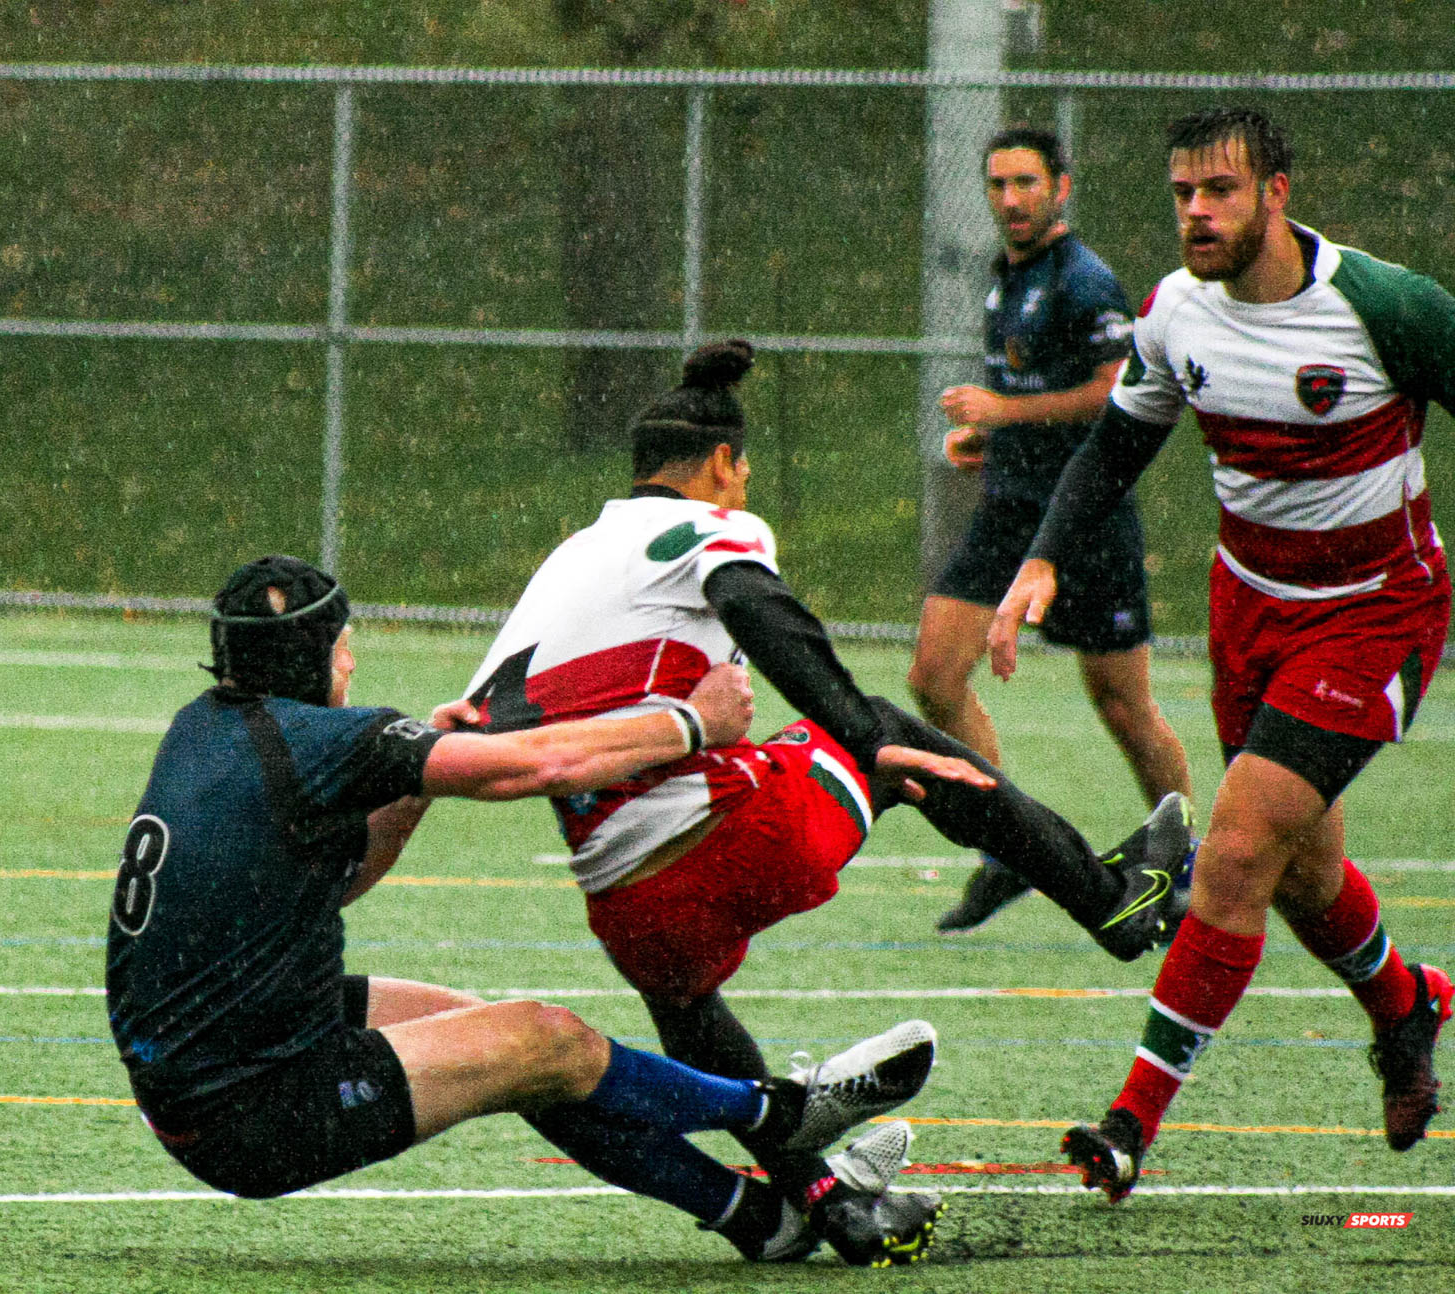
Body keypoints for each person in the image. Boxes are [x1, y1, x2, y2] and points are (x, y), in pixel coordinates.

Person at [463, 341, 1193, 1233]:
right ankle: (1111, 900)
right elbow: (761, 612)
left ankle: (822, 1200)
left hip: (622, 909)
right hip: (727, 848)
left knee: (683, 997)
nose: (744, 489)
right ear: (724, 464)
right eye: (743, 473)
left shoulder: (564, 565)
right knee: (885, 727)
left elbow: (479, 725)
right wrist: (863, 739)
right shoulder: (710, 526)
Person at [104, 554, 946, 1266]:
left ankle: (765, 1220)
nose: (351, 664)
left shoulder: (203, 728)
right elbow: (535, 767)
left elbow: (339, 878)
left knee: (506, 1046)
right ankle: (782, 1112)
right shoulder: (323, 740)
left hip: (224, 1057)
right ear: (315, 656)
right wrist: (692, 723)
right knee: (546, 1041)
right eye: (345, 646)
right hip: (250, 1109)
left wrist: (411, 786)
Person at [987, 107, 1455, 1201]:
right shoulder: (1172, 312)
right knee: (1304, 875)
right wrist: (1041, 561)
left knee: (1237, 852)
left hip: (1373, 613)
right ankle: (1405, 1004)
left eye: (1221, 192)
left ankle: (1127, 1125)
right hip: (1248, 611)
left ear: (1277, 193)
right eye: (1183, 194)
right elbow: (1117, 445)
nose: (1197, 213)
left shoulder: (1385, 306)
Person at [907, 127, 1193, 934]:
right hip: (1007, 510)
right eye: (998, 184)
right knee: (934, 677)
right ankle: (1010, 850)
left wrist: (1006, 411)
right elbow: (1039, 392)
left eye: (1026, 182)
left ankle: (1189, 864)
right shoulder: (1009, 279)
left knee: (1123, 707)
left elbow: (1113, 394)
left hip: (1084, 520)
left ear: (1061, 188)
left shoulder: (1084, 280)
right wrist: (992, 437)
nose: (1010, 199)